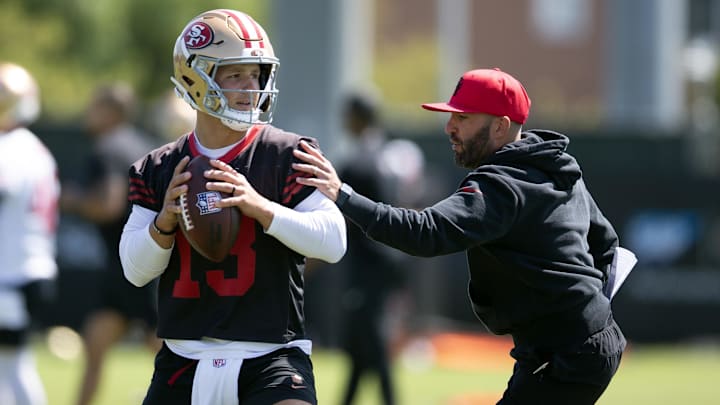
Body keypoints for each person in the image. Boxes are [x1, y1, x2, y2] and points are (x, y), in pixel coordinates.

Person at [294, 68, 627, 405]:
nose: (449, 127)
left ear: (500, 125)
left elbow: (426, 233)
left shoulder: (500, 185)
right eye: (451, 116)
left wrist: (343, 196)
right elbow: (607, 244)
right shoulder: (554, 165)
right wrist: (588, 312)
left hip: (564, 354)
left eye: (463, 117)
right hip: (583, 342)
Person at [118, 9, 346, 405]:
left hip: (271, 358)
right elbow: (135, 271)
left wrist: (261, 207)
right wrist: (165, 221)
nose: (250, 86)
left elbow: (334, 242)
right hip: (183, 358)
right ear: (195, 76)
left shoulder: (288, 154)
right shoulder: (158, 167)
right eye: (235, 73)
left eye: (256, 73)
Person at [59, 83, 161, 405]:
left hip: (132, 266)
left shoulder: (108, 148)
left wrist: (72, 201)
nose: (88, 113)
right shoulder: (143, 145)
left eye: (94, 107)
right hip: (144, 261)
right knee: (96, 341)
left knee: (167, 357)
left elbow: (108, 205)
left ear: (110, 112)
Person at [336, 92, 404, 405]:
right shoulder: (388, 156)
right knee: (361, 344)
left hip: (369, 265)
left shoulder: (360, 162)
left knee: (372, 342)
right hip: (388, 262)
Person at [0, 62, 60, 405]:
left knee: (13, 365)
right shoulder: (35, 149)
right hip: (31, 269)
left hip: (12, 274)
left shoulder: (9, 149)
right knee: (9, 365)